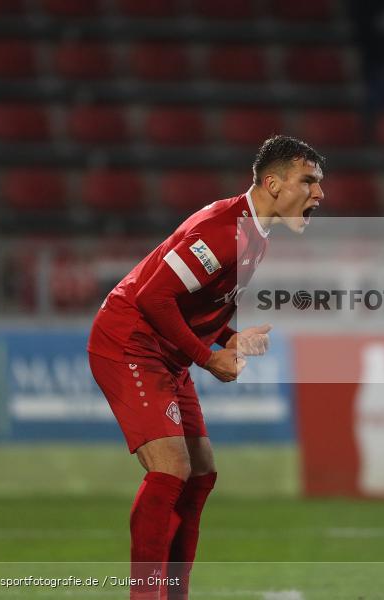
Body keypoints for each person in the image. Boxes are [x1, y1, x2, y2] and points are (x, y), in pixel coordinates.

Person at [87, 135, 326, 599]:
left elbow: (197, 299)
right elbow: (152, 297)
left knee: (201, 474)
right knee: (170, 468)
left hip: (165, 352)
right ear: (273, 183)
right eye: (309, 181)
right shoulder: (224, 230)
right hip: (128, 342)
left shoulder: (255, 236)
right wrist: (208, 357)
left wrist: (229, 337)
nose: (319, 193)